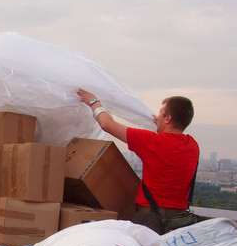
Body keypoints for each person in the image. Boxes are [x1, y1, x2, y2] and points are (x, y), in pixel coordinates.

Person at [76, 88, 200, 234]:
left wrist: (93, 101)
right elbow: (171, 140)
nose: (157, 117)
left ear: (168, 119)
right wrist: (161, 123)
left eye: (160, 114)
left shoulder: (153, 142)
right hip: (177, 222)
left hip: (149, 221)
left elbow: (106, 124)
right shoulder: (192, 145)